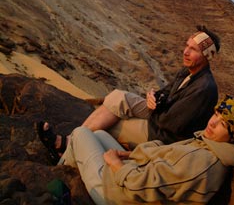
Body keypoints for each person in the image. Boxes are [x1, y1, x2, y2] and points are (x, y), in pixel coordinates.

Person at [38, 26, 221, 163]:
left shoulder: (204, 88)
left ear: (207, 56)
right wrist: (153, 96)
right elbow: (165, 92)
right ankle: (67, 143)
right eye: (187, 45)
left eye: (193, 50)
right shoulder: (188, 71)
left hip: (161, 135)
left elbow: (170, 124)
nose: (185, 52)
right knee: (117, 97)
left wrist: (152, 109)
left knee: (108, 125)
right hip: (159, 114)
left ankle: (63, 154)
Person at [59, 95, 234, 204]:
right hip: (135, 176)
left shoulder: (203, 161)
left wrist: (117, 164)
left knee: (81, 133)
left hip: (119, 196)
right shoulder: (207, 143)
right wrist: (129, 154)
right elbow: (164, 156)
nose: (213, 123)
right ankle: (70, 168)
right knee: (101, 136)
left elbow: (142, 187)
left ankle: (60, 171)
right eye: (217, 115)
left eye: (223, 124)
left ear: (233, 137)